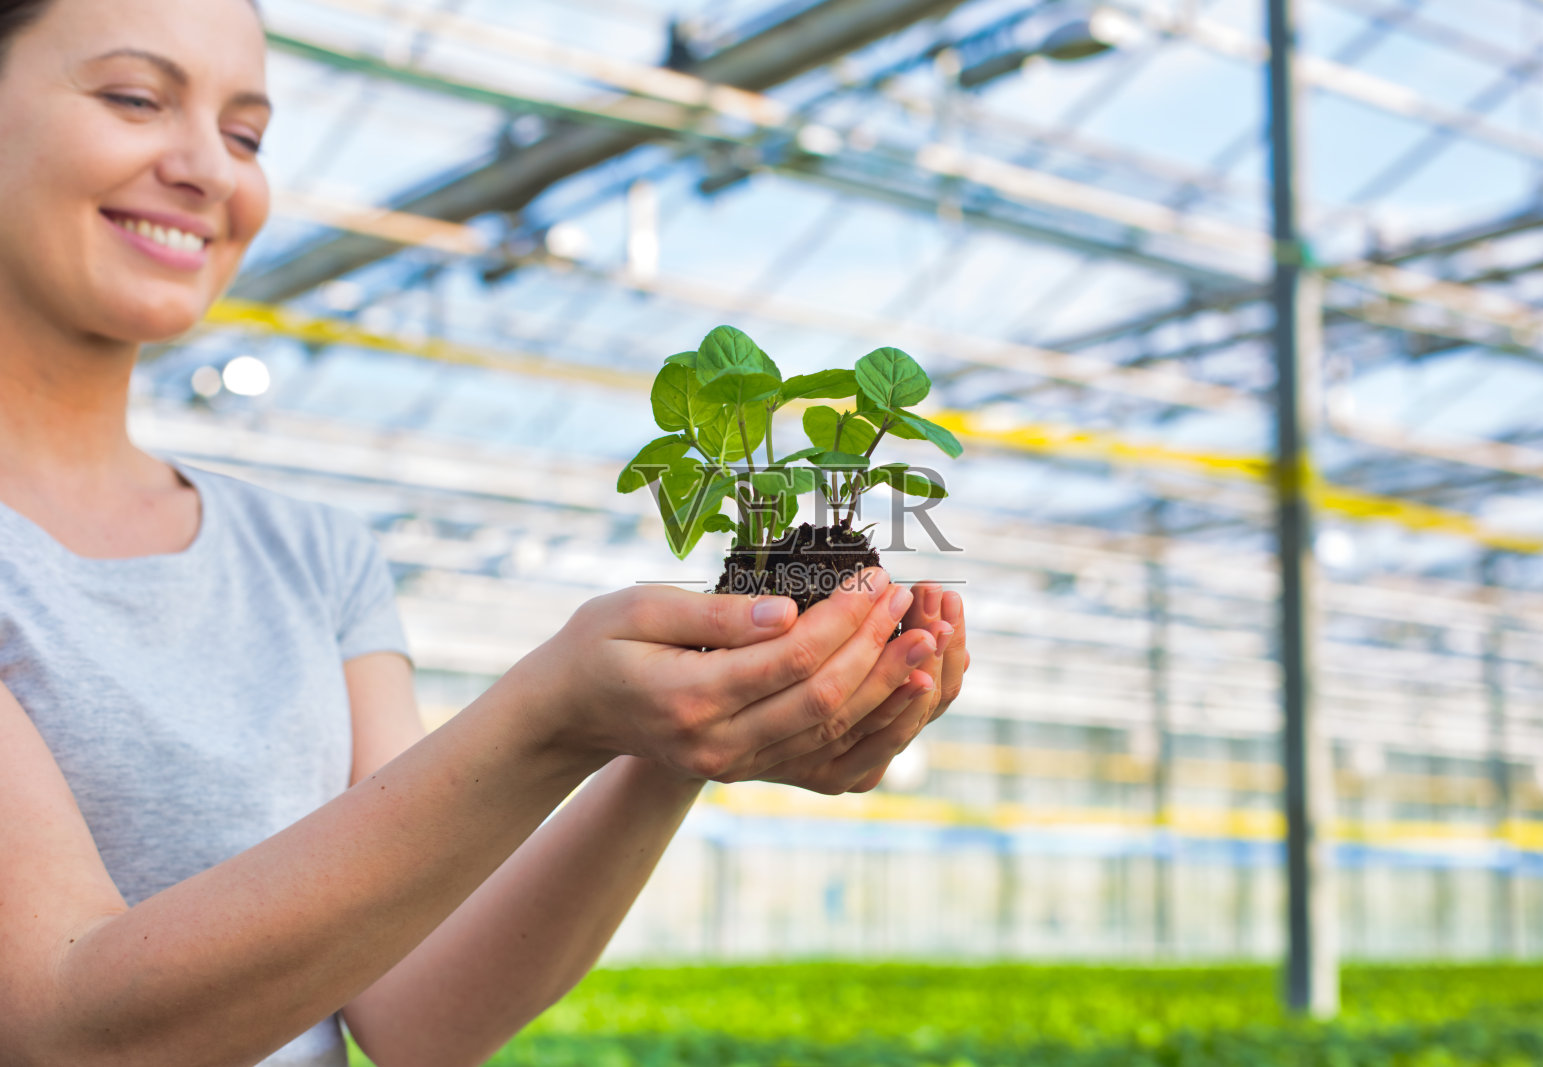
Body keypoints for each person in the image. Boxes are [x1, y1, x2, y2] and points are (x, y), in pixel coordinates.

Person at [0, 1, 971, 1065]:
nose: (209, 170)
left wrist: (686, 729)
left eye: (247, 135)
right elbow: (63, 1024)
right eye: (136, 98)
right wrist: (549, 713)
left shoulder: (314, 556)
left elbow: (419, 1013)